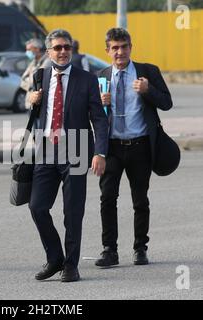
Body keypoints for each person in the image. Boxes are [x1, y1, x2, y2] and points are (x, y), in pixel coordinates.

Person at [29, 29, 108, 282]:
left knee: (73, 212)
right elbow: (37, 113)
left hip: (75, 149)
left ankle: (71, 265)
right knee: (37, 207)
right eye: (58, 48)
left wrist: (100, 152)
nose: (63, 52)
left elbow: (99, 119)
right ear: (48, 51)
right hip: (46, 150)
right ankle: (55, 258)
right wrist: (32, 100)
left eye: (67, 47)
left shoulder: (86, 79)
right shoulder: (39, 76)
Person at [95, 28, 173, 267]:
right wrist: (99, 105)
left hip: (140, 146)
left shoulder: (147, 72)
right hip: (112, 148)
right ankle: (110, 250)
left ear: (131, 47)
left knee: (140, 200)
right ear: (107, 51)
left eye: (124, 46)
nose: (120, 52)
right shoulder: (100, 76)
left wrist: (148, 90)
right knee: (108, 198)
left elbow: (167, 103)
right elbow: (91, 115)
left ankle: (140, 248)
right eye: (115, 48)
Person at [20, 38, 51, 110]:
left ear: (37, 49)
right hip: (30, 102)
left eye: (29, 50)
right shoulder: (33, 62)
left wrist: (31, 82)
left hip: (41, 103)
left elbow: (38, 78)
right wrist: (31, 87)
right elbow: (22, 79)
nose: (27, 52)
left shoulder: (47, 61)